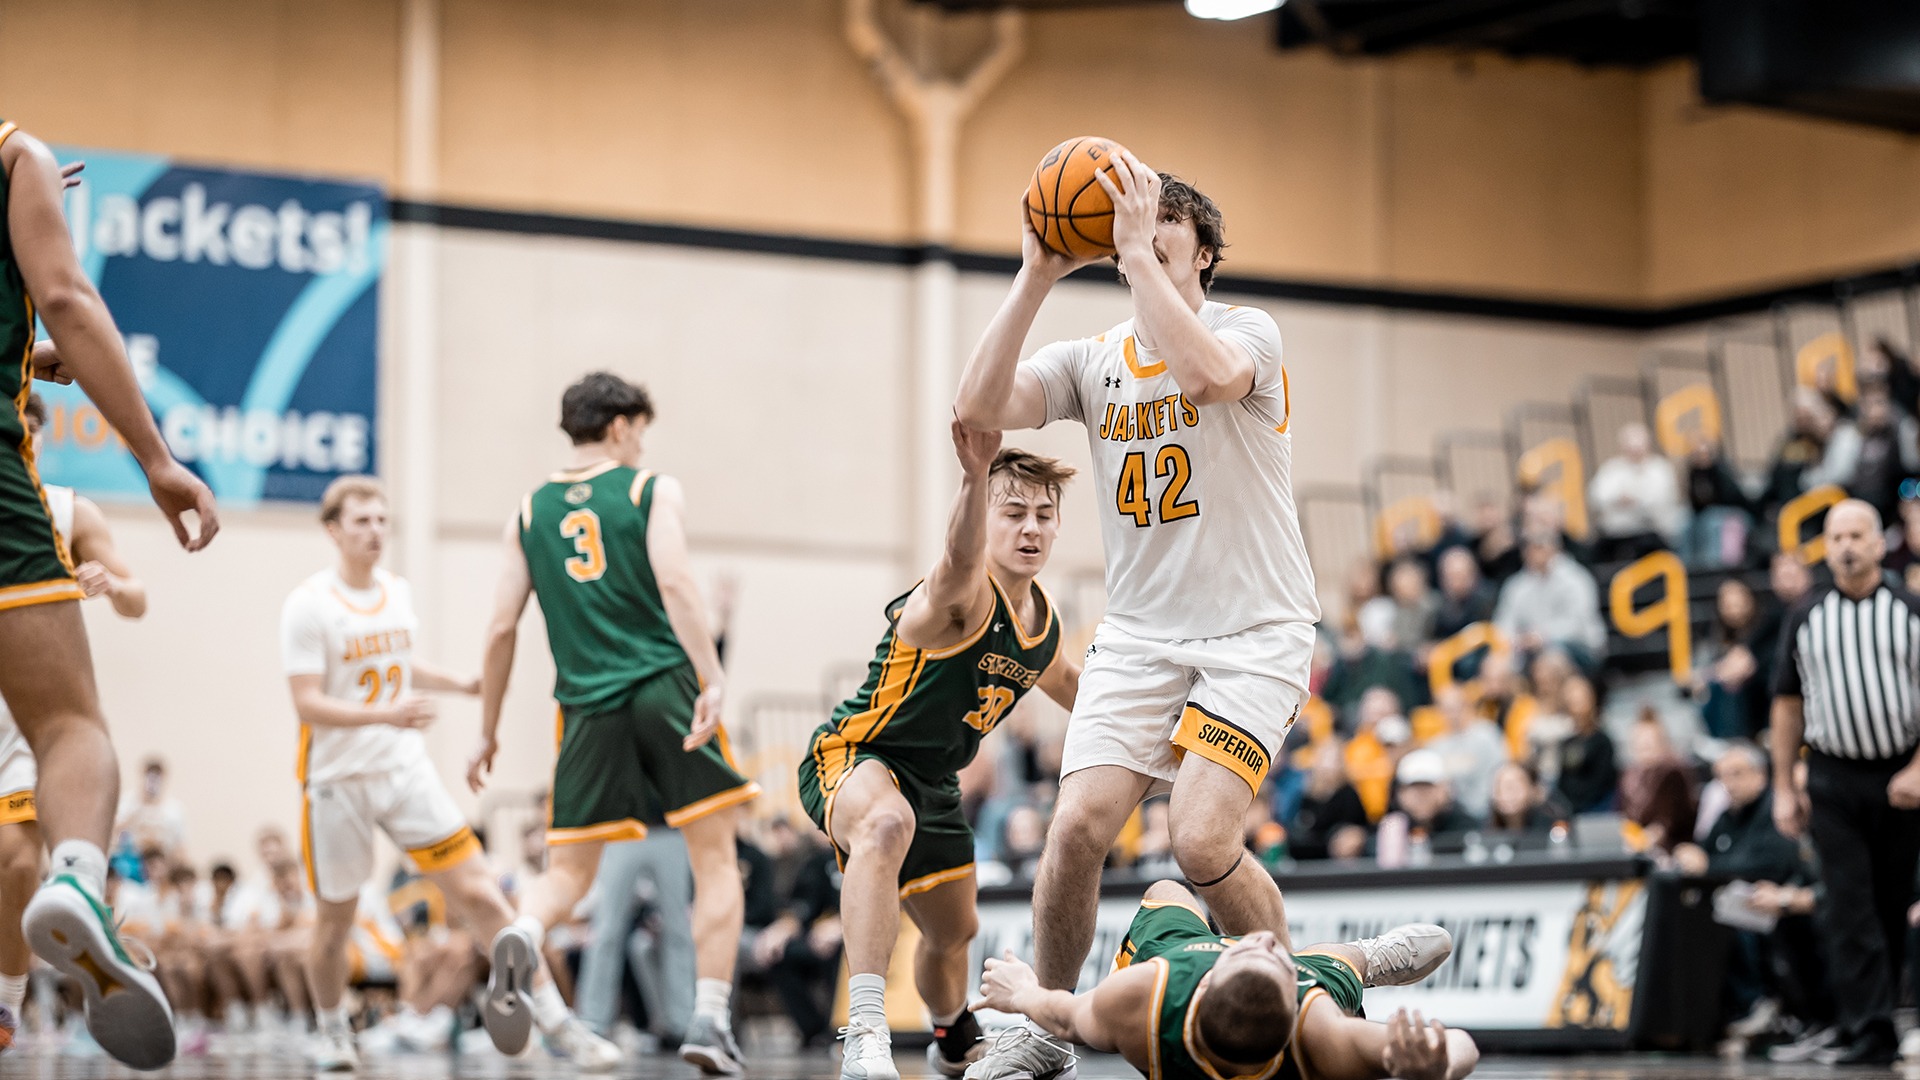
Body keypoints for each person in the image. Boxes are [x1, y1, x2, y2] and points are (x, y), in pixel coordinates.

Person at [954, 153, 1319, 1080]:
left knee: (1200, 839)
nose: (1135, 260)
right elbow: (979, 407)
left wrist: (1135, 259)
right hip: (1143, 636)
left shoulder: (1249, 332)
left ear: (1204, 258)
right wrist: (1037, 272)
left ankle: (1298, 1016)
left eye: (1160, 246)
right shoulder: (1092, 361)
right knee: (1074, 829)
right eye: (1126, 251)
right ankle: (1042, 1030)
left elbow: (1207, 379)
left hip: (1254, 632)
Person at [0, 122, 220, 1071]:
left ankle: (11, 996)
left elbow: (127, 593)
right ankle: (82, 881)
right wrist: (159, 460)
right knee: (72, 729)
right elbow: (65, 297)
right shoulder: (16, 156)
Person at [470, 371, 758, 1076]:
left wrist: (487, 727)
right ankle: (709, 1020)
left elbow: (501, 627)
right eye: (641, 432)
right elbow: (675, 582)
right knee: (716, 860)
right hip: (662, 686)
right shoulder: (648, 488)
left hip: (585, 707)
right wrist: (712, 675)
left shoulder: (528, 513)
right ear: (623, 426)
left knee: (568, 870)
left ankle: (526, 929)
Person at [281, 475, 614, 1071]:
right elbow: (307, 702)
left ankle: (557, 1022)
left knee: (483, 893)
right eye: (361, 521)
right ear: (333, 530)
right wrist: (387, 712)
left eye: (382, 519)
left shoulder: (397, 592)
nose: (375, 531)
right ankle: (332, 1030)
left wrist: (461, 684)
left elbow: (398, 663)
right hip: (336, 782)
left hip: (403, 773)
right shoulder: (310, 604)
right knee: (335, 920)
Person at [799, 427, 1079, 1080]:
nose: (1030, 528)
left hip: (934, 782)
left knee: (954, 933)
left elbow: (1078, 690)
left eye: (1043, 515)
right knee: (885, 823)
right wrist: (970, 477)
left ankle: (952, 1037)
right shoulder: (957, 593)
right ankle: (865, 1033)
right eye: (1012, 513)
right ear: (984, 519)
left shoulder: (1043, 622)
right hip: (856, 752)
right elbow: (956, 555)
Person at [976, 879, 1472, 1080]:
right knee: (1343, 964)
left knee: (1167, 889)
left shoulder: (1144, 995)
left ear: (1209, 977)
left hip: (1179, 969)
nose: (1263, 940)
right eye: (1281, 961)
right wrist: (1436, 1065)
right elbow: (1459, 1045)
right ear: (1299, 997)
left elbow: (1064, 1017)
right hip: (1283, 998)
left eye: (1236, 951)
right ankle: (1363, 959)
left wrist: (1023, 991)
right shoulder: (1319, 1029)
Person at [0, 394, 146, 1034]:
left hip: (29, 707)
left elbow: (137, 596)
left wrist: (113, 585)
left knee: (16, 861)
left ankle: (7, 1004)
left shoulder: (65, 508)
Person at [1770, 498, 1920, 1064]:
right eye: (1837, 538)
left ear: (1881, 544)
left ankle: (1881, 1016)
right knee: (1848, 904)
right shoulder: (1805, 616)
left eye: (1858, 535)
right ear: (1825, 548)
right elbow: (1786, 705)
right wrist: (1785, 786)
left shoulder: (1910, 609)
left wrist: (1919, 768)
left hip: (1900, 772)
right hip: (1832, 775)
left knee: (1889, 901)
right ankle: (1869, 1030)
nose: (1848, 546)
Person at [1491, 531, 1606, 672]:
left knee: (1551, 657)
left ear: (1555, 548)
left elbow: (1577, 625)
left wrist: (1541, 637)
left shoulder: (1576, 579)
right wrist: (1512, 643)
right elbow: (1504, 623)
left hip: (1581, 647)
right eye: (1530, 547)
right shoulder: (1516, 585)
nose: (1534, 553)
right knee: (1495, 664)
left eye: (1540, 547)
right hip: (1530, 651)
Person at [1587, 423, 1681, 563]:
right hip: (1615, 534)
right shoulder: (1612, 468)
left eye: (1638, 447)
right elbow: (1596, 496)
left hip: (1650, 532)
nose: (1634, 452)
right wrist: (1619, 499)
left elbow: (1661, 500)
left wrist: (1634, 501)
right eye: (1630, 448)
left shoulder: (1660, 469)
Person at [1550, 676, 1617, 814]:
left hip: (1596, 809)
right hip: (1568, 808)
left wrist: (1579, 806)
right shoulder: (1566, 742)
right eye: (1572, 701)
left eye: (1580, 700)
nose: (1577, 705)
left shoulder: (1602, 741)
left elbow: (1602, 782)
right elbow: (1562, 780)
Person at [1431, 548, 1495, 642]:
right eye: (1451, 577)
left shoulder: (1488, 601)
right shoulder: (1439, 605)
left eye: (1461, 576)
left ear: (1474, 574)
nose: (1457, 583)